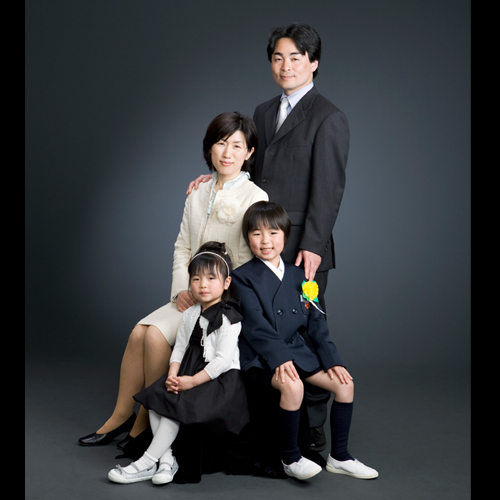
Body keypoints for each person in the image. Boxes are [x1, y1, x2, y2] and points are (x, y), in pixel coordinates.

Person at [186, 23, 349, 450]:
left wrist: (312, 245)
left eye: (296, 57)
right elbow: (247, 167)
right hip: (256, 244)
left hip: (303, 251)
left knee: (307, 330)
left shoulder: (328, 117)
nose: (286, 65)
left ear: (314, 63)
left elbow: (329, 189)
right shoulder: (262, 112)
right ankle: (264, 420)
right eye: (278, 57)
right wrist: (214, 177)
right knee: (256, 330)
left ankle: (313, 427)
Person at [78, 112, 268, 449]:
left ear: (249, 152)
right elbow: (183, 247)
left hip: (221, 300)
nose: (227, 153)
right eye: (221, 143)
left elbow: (245, 263)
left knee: (153, 335)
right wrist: (182, 288)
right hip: (190, 291)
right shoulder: (197, 192)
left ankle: (147, 419)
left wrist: (210, 292)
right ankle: (121, 414)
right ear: (209, 148)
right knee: (139, 331)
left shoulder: (254, 197)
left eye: (237, 146)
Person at [231, 201, 378, 481]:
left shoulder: (301, 276)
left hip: (297, 351)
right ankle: (291, 458)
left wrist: (332, 361)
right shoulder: (241, 277)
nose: (265, 241)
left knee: (345, 384)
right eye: (257, 233)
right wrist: (280, 358)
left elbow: (317, 324)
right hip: (261, 356)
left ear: (285, 236)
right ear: (247, 237)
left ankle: (340, 457)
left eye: (273, 233)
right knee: (293, 385)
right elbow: (255, 326)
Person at [108, 242, 249, 484]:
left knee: (174, 407)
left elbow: (222, 361)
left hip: (218, 382)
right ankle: (166, 460)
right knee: (156, 400)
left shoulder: (229, 318)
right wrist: (173, 374)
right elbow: (180, 348)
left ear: (226, 283)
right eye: (196, 279)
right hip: (188, 373)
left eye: (211, 278)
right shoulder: (190, 313)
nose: (203, 285)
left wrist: (192, 382)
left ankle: (144, 463)